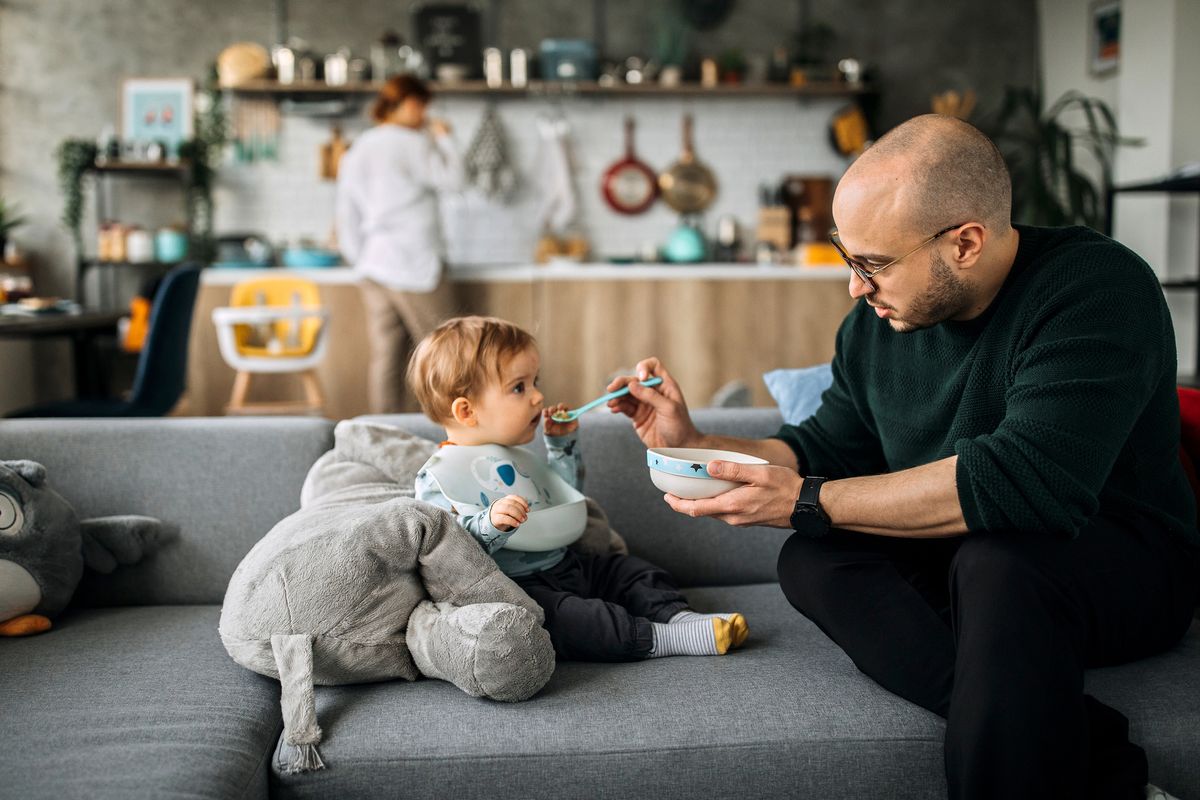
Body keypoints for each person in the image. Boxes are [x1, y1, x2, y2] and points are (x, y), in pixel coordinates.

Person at [605, 115, 1200, 799]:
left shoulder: (1096, 288)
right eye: (846, 256)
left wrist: (807, 498)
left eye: (874, 264)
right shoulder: (876, 324)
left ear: (966, 243)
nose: (855, 286)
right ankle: (1086, 747)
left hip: (1121, 563)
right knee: (814, 555)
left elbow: (1027, 483)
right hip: (978, 560)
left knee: (997, 562)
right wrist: (696, 441)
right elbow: (822, 447)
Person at [406, 315, 749, 662]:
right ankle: (665, 639)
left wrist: (561, 447)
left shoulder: (516, 455)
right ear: (466, 411)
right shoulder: (438, 478)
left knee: (632, 572)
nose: (538, 397)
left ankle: (680, 617)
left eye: (535, 382)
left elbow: (564, 495)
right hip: (522, 586)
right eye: (518, 387)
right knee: (574, 621)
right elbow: (448, 555)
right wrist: (490, 524)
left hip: (568, 564)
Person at [336, 74, 464, 413]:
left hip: (374, 264)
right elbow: (456, 180)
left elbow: (346, 210)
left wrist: (358, 257)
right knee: (447, 351)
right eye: (423, 107)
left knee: (387, 358)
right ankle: (452, 431)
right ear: (409, 103)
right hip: (414, 262)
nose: (425, 115)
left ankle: (387, 430)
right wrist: (446, 139)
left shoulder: (359, 147)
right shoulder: (414, 142)